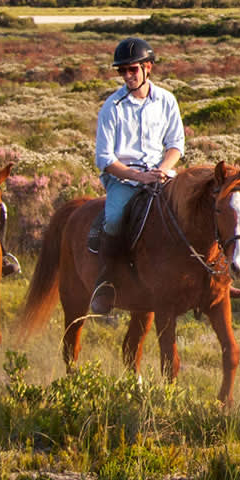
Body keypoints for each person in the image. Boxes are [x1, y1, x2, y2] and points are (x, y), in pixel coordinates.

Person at [89, 36, 186, 316]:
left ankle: (209, 277)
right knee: (114, 218)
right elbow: (105, 159)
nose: (127, 76)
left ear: (148, 68)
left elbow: (176, 144)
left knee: (193, 210)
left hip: (161, 174)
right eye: (122, 71)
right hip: (124, 179)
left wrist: (163, 169)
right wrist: (138, 177)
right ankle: (106, 281)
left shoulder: (167, 101)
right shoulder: (112, 107)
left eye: (132, 69)